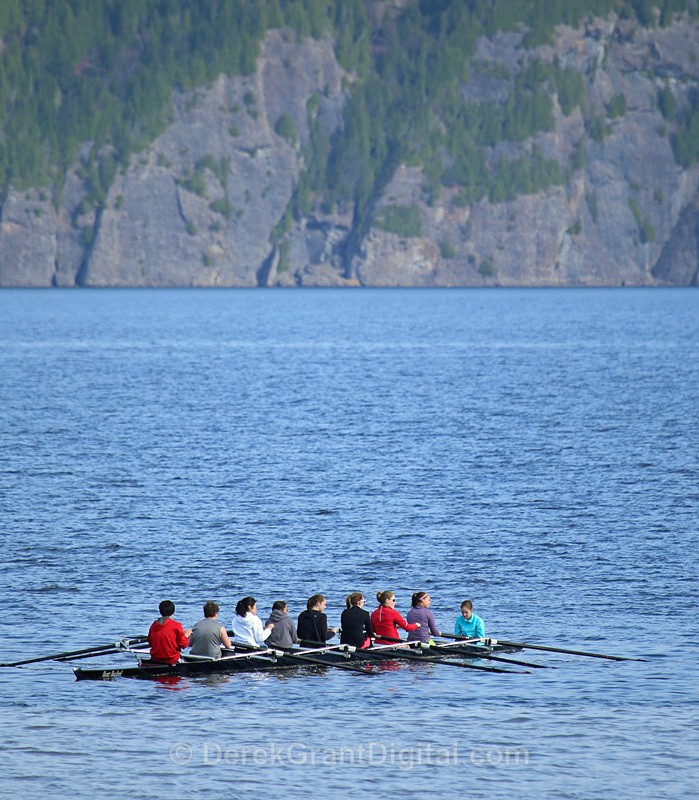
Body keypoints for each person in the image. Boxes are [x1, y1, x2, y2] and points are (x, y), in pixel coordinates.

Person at [148, 599, 192, 664]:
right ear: (173, 611)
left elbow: (150, 642)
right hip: (171, 659)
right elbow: (183, 645)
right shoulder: (176, 625)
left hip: (155, 659)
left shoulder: (154, 625)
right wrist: (186, 635)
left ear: (160, 611)